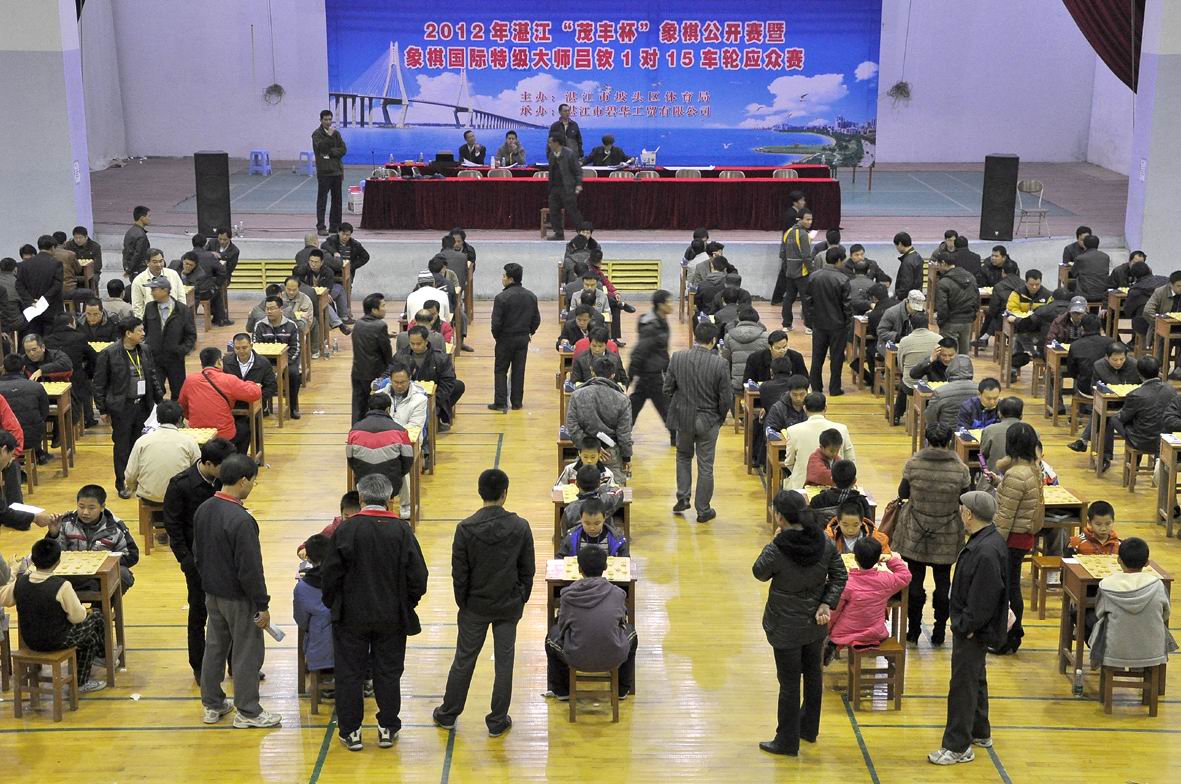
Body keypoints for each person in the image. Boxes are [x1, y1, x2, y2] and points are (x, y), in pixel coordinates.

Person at [320, 473, 428, 751]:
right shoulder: (402, 531)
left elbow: (329, 575)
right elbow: (419, 577)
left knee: (349, 673)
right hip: (391, 616)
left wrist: (335, 603)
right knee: (388, 672)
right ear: (390, 499)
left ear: (361, 498)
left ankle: (351, 731)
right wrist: (407, 603)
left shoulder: (346, 530)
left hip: (351, 616)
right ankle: (388, 727)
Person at [434, 469, 535, 738]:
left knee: (464, 659)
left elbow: (459, 573)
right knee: (504, 662)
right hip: (508, 605)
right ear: (505, 493)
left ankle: (448, 713)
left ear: (480, 492)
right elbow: (528, 569)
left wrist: (464, 602)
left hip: (474, 607)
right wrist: (521, 596)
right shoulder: (520, 526)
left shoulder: (465, 528)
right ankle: (497, 720)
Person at [753, 491, 847, 756]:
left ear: (780, 517)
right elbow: (840, 575)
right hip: (815, 622)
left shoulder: (778, 548)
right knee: (813, 676)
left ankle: (786, 741)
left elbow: (759, 572)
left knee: (789, 683)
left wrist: (772, 542)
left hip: (785, 624)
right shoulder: (823, 541)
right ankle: (808, 729)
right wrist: (826, 603)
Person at [194, 453, 281, 729]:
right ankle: (248, 711)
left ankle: (212, 705)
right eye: (253, 481)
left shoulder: (204, 508)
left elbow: (198, 553)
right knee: (246, 652)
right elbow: (250, 568)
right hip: (239, 598)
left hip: (212, 594)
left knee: (215, 648)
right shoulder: (241, 520)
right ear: (243, 481)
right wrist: (262, 604)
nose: (253, 486)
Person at [928, 491, 1008, 766]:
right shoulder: (987, 540)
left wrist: (966, 626)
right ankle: (980, 731)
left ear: (970, 514)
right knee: (976, 677)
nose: (960, 513)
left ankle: (957, 746)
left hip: (973, 629)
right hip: (974, 627)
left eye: (962, 509)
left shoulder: (985, 551)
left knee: (962, 685)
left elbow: (985, 596)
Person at [163, 437, 236, 682]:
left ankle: (236, 663)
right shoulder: (180, 485)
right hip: (196, 561)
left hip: (224, 556)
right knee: (198, 613)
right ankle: (200, 666)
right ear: (208, 463)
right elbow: (173, 527)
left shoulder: (224, 480)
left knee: (232, 612)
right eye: (223, 467)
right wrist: (186, 561)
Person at [892, 422, 971, 645]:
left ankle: (913, 630)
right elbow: (965, 498)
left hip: (915, 531)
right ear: (949, 441)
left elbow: (903, 493)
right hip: (946, 533)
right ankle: (939, 631)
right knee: (943, 583)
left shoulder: (914, 464)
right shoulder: (960, 469)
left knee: (914, 583)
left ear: (927, 440)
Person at [1, 539, 108, 693]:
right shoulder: (62, 585)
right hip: (57, 640)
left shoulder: (21, 583)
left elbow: (3, 598)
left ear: (33, 560)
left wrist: (13, 573)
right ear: (58, 562)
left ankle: (98, 659)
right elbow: (78, 618)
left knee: (90, 637)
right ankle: (97, 664)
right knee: (96, 617)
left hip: (30, 640)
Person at [544, 545, 638, 701]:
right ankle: (622, 689)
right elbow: (622, 622)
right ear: (606, 567)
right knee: (631, 632)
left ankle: (562, 690)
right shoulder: (618, 593)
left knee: (551, 636)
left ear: (579, 569)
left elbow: (562, 626)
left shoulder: (568, 595)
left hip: (576, 657)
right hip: (613, 656)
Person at [664, 322, 732, 522]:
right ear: (713, 340)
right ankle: (703, 510)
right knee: (705, 465)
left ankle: (683, 497)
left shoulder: (678, 357)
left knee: (683, 457)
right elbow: (726, 397)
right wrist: (720, 417)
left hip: (683, 418)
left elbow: (667, 389)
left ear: (695, 337)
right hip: (708, 420)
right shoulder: (720, 363)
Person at [988, 422, 1043, 655]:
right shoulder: (1033, 469)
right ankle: (1011, 634)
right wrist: (998, 483)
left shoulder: (1015, 474)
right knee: (1011, 586)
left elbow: (1005, 516)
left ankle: (1009, 636)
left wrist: (993, 544)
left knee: (1008, 590)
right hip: (1023, 536)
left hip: (1011, 539)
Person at [93, 317, 164, 496]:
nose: (143, 333)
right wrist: (102, 409)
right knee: (122, 446)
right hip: (121, 407)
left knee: (139, 445)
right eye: (140, 330)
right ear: (128, 333)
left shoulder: (145, 350)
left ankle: (137, 479)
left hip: (143, 405)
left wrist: (160, 399)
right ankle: (122, 483)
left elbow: (152, 375)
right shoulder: (109, 353)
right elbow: (99, 383)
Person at [1088, 537, 1175, 673]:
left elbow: (1099, 613)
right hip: (1152, 652)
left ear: (1119, 560)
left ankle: (1096, 659)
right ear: (1147, 563)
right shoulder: (1158, 585)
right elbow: (1165, 614)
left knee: (1096, 621)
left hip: (1114, 652)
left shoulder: (1106, 585)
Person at [826, 538, 911, 662]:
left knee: (835, 627)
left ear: (855, 558)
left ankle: (833, 646)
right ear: (877, 559)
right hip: (876, 632)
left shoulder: (847, 582)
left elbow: (835, 610)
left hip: (848, 632)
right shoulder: (886, 580)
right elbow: (905, 575)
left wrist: (828, 628)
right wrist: (891, 560)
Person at [46, 484, 139, 592]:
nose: (85, 512)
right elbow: (50, 555)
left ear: (102, 507)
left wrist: (102, 561)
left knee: (123, 575)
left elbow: (131, 555)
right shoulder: (65, 522)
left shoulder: (115, 527)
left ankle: (102, 603)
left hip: (101, 575)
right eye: (81, 506)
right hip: (70, 574)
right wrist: (53, 534)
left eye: (91, 508)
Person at [179, 347, 264, 455]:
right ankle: (237, 460)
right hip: (223, 435)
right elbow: (255, 393)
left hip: (198, 433)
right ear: (219, 361)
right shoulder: (228, 379)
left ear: (202, 363)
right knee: (245, 429)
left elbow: (182, 406)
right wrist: (251, 383)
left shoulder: (190, 380)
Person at [565, 356, 632, 480]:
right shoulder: (622, 399)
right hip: (610, 453)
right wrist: (626, 457)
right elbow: (624, 433)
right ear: (613, 375)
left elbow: (572, 426)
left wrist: (590, 447)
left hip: (586, 453)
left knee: (583, 487)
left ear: (592, 371)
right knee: (613, 489)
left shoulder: (576, 395)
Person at [1067, 344, 1140, 455]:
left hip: (1129, 405)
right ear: (1107, 357)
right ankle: (1103, 455)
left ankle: (1085, 442)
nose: (1118, 362)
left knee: (1106, 417)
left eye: (1122, 359)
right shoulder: (1099, 366)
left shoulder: (1134, 365)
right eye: (1115, 360)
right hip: (1109, 402)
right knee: (1105, 415)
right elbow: (1093, 388)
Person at [125, 400, 200, 503]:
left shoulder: (142, 441)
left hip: (149, 497)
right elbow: (197, 472)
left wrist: (132, 487)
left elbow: (130, 474)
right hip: (180, 498)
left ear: (157, 418)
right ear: (180, 419)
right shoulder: (189, 441)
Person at [1112, 356, 1178, 471]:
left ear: (1139, 374)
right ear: (1159, 371)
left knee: (1115, 419)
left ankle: (1132, 465)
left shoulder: (1135, 394)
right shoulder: (1171, 390)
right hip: (1166, 439)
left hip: (1142, 441)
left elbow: (1122, 418)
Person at [489, 263, 540, 411]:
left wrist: (497, 336)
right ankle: (517, 402)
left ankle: (500, 402)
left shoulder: (501, 298)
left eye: (504, 276)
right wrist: (529, 333)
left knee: (500, 370)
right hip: (523, 339)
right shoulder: (531, 296)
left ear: (510, 279)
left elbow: (496, 323)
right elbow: (536, 320)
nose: (502, 278)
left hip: (505, 339)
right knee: (519, 370)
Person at [347, 394, 414, 505]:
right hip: (391, 485)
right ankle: (406, 508)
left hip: (363, 485)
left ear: (369, 408)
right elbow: (408, 461)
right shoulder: (400, 431)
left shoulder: (354, 431)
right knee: (403, 474)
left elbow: (350, 460)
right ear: (388, 409)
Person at [392, 326, 463, 428]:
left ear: (426, 341)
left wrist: (434, 401)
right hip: (406, 396)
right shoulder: (400, 356)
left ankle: (437, 415)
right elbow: (390, 372)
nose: (415, 347)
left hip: (433, 396)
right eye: (412, 343)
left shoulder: (440, 358)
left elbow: (448, 381)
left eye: (418, 344)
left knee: (458, 385)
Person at [782, 393, 855, 491]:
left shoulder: (792, 430)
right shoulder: (842, 429)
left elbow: (789, 463)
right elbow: (850, 460)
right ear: (825, 408)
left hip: (801, 488)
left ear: (804, 408)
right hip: (836, 487)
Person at [628, 290, 674, 443]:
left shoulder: (661, 320)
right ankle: (677, 437)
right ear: (660, 305)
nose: (671, 305)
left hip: (652, 372)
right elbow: (639, 351)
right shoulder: (652, 326)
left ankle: (621, 434)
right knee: (665, 407)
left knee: (634, 406)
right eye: (669, 302)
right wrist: (631, 374)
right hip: (652, 374)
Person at [140, 276, 196, 400]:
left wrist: (182, 350)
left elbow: (191, 334)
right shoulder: (149, 307)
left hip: (175, 359)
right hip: (154, 358)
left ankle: (177, 413)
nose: (151, 292)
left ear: (165, 290)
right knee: (155, 391)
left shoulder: (182, 310)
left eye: (154, 289)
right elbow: (145, 329)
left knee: (178, 392)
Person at [805, 247, 851, 394]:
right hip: (838, 325)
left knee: (817, 357)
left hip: (818, 324)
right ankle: (834, 388)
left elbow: (808, 301)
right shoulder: (843, 279)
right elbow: (847, 305)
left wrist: (810, 321)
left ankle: (816, 387)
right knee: (837, 358)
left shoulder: (813, 277)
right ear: (839, 260)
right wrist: (848, 322)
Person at [292, 533, 333, 694]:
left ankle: (324, 681)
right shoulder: (346, 579)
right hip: (351, 647)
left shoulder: (302, 588)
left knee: (313, 634)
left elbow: (301, 621)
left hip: (320, 649)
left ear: (308, 558)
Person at [344, 292, 393, 423]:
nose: (385, 309)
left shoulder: (358, 324)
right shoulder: (381, 326)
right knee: (375, 407)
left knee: (358, 406)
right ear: (374, 310)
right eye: (383, 306)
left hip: (358, 372)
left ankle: (355, 431)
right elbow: (387, 354)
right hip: (375, 374)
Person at [253, 296, 303, 419]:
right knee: (257, 373)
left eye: (272, 308)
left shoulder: (291, 325)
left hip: (287, 361)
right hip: (266, 363)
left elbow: (295, 348)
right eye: (267, 309)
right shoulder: (259, 325)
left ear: (281, 309)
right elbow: (256, 348)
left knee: (294, 374)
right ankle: (263, 405)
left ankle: (292, 407)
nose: (269, 311)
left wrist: (285, 364)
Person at [0, 353, 49, 464]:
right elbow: (45, 412)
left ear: (4, 369)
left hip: (6, 442)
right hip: (33, 438)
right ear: (23, 368)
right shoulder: (36, 386)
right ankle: (39, 454)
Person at [15, 235, 64, 334]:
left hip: (31, 309)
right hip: (51, 307)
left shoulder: (24, 265)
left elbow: (19, 285)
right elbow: (57, 285)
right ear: (52, 247)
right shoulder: (56, 263)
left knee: (33, 336)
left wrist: (30, 301)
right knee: (50, 338)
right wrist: (43, 301)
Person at [223, 333, 278, 417]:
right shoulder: (226, 361)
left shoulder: (263, 362)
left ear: (251, 346)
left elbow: (271, 386)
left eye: (244, 348)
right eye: (237, 348)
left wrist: (258, 398)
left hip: (256, 402)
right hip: (233, 404)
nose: (241, 351)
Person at [932, 252, 978, 354]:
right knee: (964, 355)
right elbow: (976, 299)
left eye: (938, 264)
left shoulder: (943, 283)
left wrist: (941, 322)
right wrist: (971, 316)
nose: (938, 268)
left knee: (947, 355)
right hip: (967, 321)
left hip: (950, 322)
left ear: (943, 263)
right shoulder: (971, 277)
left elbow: (942, 307)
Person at [557, 497, 630, 557]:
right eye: (587, 523)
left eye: (597, 523)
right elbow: (560, 558)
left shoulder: (616, 539)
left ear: (604, 518)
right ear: (581, 518)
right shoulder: (571, 538)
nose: (592, 528)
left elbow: (625, 561)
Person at [313, 109, 347, 236]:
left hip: (337, 172)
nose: (328, 122)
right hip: (324, 172)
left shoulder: (336, 134)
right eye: (325, 119)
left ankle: (335, 226)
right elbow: (322, 148)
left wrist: (332, 152)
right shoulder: (316, 134)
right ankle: (321, 226)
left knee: (337, 201)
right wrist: (328, 137)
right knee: (322, 200)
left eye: (329, 119)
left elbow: (343, 149)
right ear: (321, 120)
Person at [545, 133, 584, 241]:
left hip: (567, 188)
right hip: (554, 188)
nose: (549, 145)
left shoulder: (569, 154)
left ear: (557, 143)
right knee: (554, 211)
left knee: (572, 211)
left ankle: (582, 233)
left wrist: (578, 184)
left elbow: (578, 171)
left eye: (550, 142)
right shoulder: (552, 155)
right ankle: (558, 233)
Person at [779, 209, 813, 331]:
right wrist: (811, 271)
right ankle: (809, 327)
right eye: (807, 219)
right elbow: (806, 256)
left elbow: (782, 254)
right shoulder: (804, 235)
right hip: (802, 274)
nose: (810, 222)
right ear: (799, 219)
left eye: (811, 219)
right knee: (806, 300)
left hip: (789, 273)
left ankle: (786, 324)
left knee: (788, 299)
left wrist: (787, 268)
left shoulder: (788, 232)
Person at [924, 355, 976, 431]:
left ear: (950, 369)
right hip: (972, 434)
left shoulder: (940, 392)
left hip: (946, 434)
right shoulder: (981, 390)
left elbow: (930, 416)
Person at [822, 497, 887, 554]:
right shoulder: (829, 537)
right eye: (845, 525)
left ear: (861, 522)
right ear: (838, 522)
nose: (850, 530)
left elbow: (886, 557)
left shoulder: (875, 538)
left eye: (855, 525)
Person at [1072, 234, 1111, 301]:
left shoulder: (1080, 258)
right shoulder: (1106, 257)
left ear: (1084, 245)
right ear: (1098, 244)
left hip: (1085, 295)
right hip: (1103, 294)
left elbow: (1074, 273)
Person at [122, 206, 151, 279]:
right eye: (149, 216)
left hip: (132, 270)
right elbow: (139, 255)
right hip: (139, 271)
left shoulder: (129, 232)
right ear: (142, 218)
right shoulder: (141, 235)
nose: (150, 219)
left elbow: (125, 252)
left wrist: (127, 268)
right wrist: (130, 270)